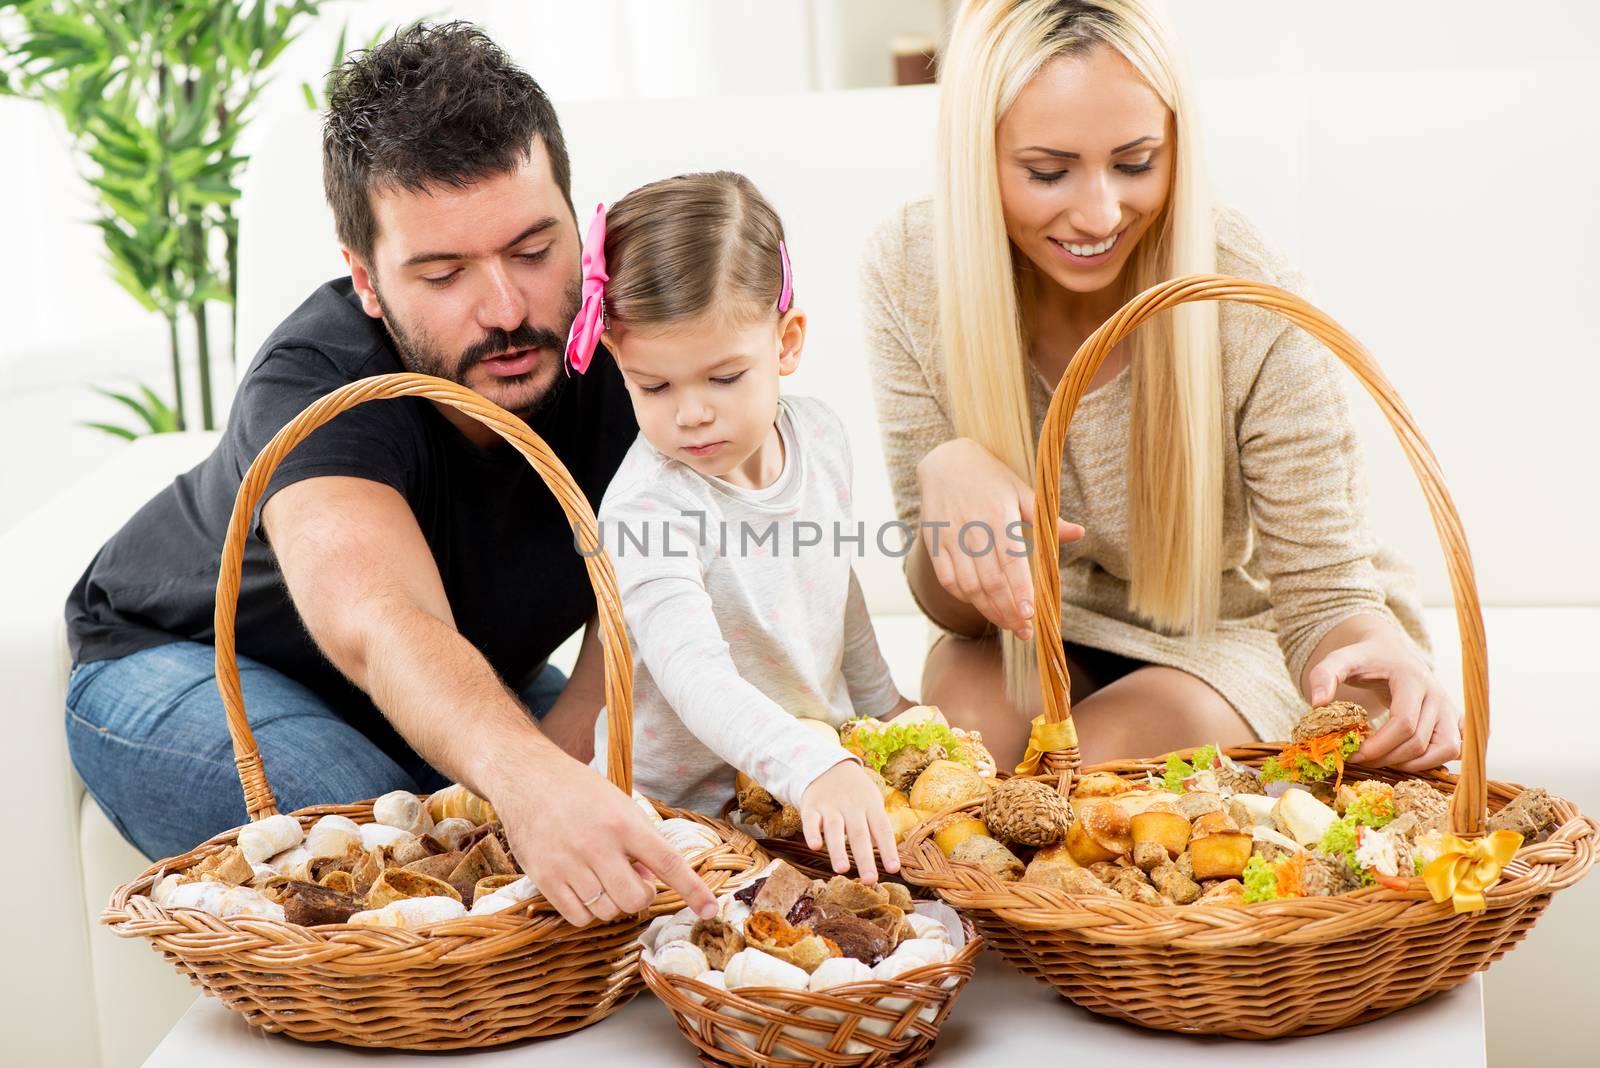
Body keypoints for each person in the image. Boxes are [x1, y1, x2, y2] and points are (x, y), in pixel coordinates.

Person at [63, 22, 714, 926]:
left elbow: (659, 561)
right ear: (366, 280)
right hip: (183, 664)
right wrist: (528, 779)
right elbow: (379, 620)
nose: (507, 309)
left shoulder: (629, 350)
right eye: (443, 274)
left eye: (534, 249)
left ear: (578, 218)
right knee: (414, 865)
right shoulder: (316, 378)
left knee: (629, 827)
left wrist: (569, 764)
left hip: (445, 681)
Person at [860, 0, 1461, 773]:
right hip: (1047, 628)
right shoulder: (911, 270)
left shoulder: (1250, 297)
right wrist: (949, 476)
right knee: (966, 733)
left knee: (1097, 764)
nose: (1100, 211)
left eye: (1136, 162)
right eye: (1047, 171)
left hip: (1237, 629)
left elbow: (1325, 596)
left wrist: (1375, 652)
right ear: (976, 155)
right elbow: (952, 613)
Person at [572, 172, 914, 882]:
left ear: (786, 343)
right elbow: (694, 674)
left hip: (805, 790)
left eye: (724, 378)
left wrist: (884, 707)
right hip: (678, 818)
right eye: (654, 386)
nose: (691, 413)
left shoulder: (820, 437)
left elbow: (832, 586)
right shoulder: (647, 508)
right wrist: (812, 764)